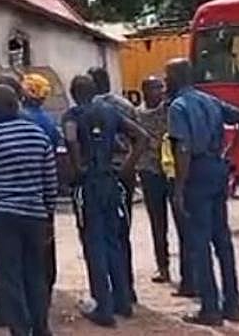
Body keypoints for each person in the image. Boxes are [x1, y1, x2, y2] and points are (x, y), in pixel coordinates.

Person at [166, 58, 239, 326]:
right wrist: (229, 154)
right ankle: (232, 304)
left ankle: (210, 309)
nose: (165, 80)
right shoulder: (210, 101)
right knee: (222, 240)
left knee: (199, 243)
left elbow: (182, 149)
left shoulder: (178, 107)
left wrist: (179, 188)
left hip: (197, 174)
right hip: (217, 169)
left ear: (175, 78)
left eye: (167, 76)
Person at [0, 84, 58, 336]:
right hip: (35, 214)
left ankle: (20, 329)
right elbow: (50, 180)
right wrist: (48, 212)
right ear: (17, 103)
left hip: (1, 216)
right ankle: (41, 327)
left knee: (9, 274)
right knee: (35, 273)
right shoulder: (37, 135)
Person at [63, 75, 147, 328]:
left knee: (93, 243)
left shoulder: (72, 116)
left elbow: (71, 141)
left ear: (74, 93)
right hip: (111, 181)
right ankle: (122, 301)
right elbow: (141, 136)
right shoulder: (111, 112)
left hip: (89, 184)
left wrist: (78, 169)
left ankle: (103, 306)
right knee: (114, 241)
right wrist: (127, 167)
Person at [87, 65, 139, 301]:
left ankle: (107, 294)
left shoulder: (91, 109)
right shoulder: (126, 105)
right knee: (122, 232)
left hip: (103, 173)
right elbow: (138, 137)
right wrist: (129, 166)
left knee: (99, 235)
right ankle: (127, 290)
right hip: (124, 173)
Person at [137, 76, 193, 289]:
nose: (159, 91)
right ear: (144, 91)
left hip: (171, 171)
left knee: (182, 221)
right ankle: (163, 267)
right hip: (150, 172)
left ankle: (187, 274)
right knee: (157, 223)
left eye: (161, 87)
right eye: (154, 87)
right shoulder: (138, 113)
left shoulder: (170, 109)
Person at [21, 73, 60, 301]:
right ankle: (45, 287)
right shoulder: (48, 121)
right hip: (43, 187)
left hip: (21, 189)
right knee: (46, 241)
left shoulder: (21, 119)